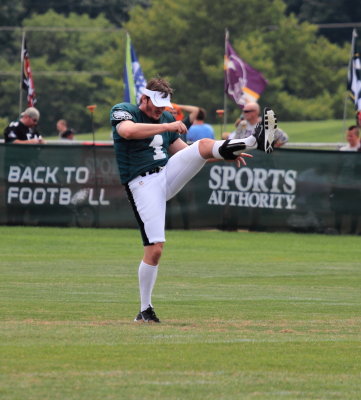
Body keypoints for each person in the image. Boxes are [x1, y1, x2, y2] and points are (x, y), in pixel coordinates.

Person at [110, 77, 277, 323]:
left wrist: (224, 154)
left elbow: (187, 152)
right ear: (143, 98)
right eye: (155, 106)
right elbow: (127, 131)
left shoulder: (166, 118)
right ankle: (145, 310)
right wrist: (167, 127)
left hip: (165, 173)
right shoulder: (125, 110)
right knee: (155, 250)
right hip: (142, 183)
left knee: (202, 145)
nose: (159, 112)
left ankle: (252, 141)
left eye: (163, 108)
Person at [222, 102, 288, 148]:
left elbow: (284, 138)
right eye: (244, 111)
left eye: (247, 111)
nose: (245, 113)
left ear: (256, 112)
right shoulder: (242, 125)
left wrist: (275, 145)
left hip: (263, 158)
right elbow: (235, 140)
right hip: (247, 159)